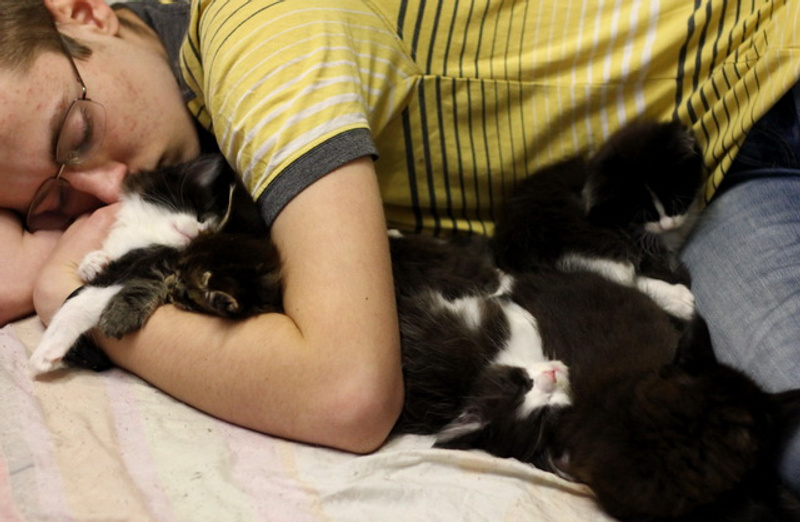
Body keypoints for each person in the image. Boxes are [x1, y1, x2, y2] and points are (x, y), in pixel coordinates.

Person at [0, 0, 798, 479]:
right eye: (52, 201)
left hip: (766, 97)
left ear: (84, 12)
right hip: (688, 192)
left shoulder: (259, 39)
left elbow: (347, 391)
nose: (106, 189)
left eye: (78, 134)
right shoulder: (186, 159)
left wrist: (78, 300)